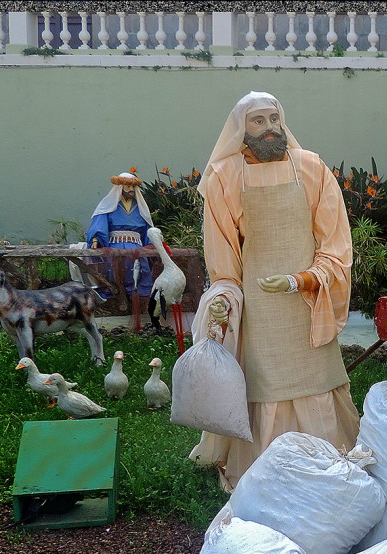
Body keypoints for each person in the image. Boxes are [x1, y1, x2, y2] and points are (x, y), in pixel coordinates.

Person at [188, 91, 359, 493]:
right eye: (257, 121)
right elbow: (224, 260)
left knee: (316, 382)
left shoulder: (312, 168)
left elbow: (336, 246)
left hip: (307, 301)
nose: (268, 128)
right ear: (240, 130)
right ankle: (269, 480)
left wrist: (303, 279)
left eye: (273, 118)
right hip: (261, 309)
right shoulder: (224, 177)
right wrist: (222, 301)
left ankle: (326, 469)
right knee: (266, 386)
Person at [85, 171, 154, 301]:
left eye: (133, 187)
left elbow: (148, 229)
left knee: (141, 271)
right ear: (120, 188)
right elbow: (100, 223)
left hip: (137, 248)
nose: (131, 189)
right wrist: (96, 239)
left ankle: (140, 299)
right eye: (128, 186)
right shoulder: (109, 206)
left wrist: (151, 243)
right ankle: (115, 298)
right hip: (115, 246)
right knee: (113, 273)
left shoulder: (141, 208)